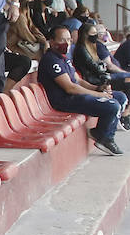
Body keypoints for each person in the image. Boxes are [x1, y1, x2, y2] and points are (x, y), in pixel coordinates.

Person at [38, 25, 122, 156]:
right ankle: (105, 137)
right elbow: (70, 87)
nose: (67, 43)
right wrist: (99, 94)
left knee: (119, 97)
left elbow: (78, 81)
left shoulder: (64, 58)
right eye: (62, 40)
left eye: (69, 40)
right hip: (65, 101)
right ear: (52, 42)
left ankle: (100, 132)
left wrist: (98, 88)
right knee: (112, 105)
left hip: (77, 96)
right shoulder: (51, 60)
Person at [73, 21, 130, 130]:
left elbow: (100, 66)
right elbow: (96, 68)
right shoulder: (82, 49)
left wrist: (104, 72)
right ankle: (122, 116)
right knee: (129, 82)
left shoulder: (93, 46)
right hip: (93, 81)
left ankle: (123, 114)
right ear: (85, 35)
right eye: (93, 33)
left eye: (96, 33)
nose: (95, 35)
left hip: (101, 78)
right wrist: (106, 80)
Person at [4, 7, 43, 93]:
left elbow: (33, 28)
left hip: (16, 46)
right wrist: (39, 40)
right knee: (37, 55)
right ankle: (4, 92)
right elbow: (26, 35)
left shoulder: (27, 12)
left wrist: (42, 39)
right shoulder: (19, 15)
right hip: (13, 46)